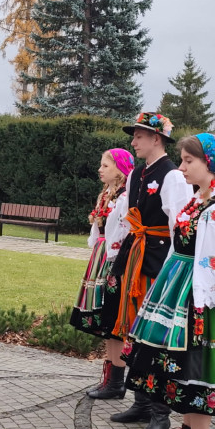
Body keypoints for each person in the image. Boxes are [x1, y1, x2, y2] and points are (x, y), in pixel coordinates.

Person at [124, 133, 215, 429]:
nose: (181, 167)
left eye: (188, 161)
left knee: (198, 375)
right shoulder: (199, 201)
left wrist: (199, 306)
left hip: (201, 301)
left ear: (210, 165)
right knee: (182, 376)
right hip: (180, 289)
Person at [99, 112, 192, 429]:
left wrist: (167, 272)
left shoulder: (172, 176)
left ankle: (159, 413)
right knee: (134, 332)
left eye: (139, 136)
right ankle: (139, 401)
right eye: (134, 136)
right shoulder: (138, 172)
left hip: (154, 261)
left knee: (155, 335)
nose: (133, 141)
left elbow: (178, 226)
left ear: (157, 138)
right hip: (135, 254)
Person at [70, 149, 135, 398]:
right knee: (105, 320)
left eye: (105, 165)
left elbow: (124, 230)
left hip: (114, 260)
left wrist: (113, 259)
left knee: (113, 318)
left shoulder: (126, 197)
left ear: (119, 169)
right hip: (101, 255)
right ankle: (110, 378)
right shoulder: (107, 195)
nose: (100, 169)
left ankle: (116, 381)